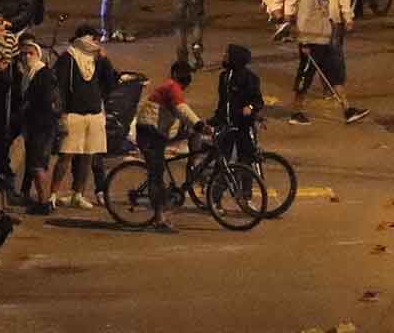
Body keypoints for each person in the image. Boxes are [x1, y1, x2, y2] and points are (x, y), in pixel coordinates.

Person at [290, 0, 369, 125]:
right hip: (311, 44)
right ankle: (295, 112)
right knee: (304, 79)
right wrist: (303, 43)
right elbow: (302, 21)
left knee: (334, 76)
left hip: (323, 43)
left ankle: (347, 109)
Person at [134, 60, 205, 232]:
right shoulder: (171, 86)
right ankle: (159, 220)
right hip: (149, 132)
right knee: (157, 176)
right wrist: (199, 124)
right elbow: (182, 109)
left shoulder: (173, 87)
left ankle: (192, 164)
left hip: (158, 130)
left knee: (194, 135)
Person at [51, 26, 117, 209]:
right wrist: (62, 112)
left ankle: (77, 194)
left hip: (94, 114)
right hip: (73, 113)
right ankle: (53, 194)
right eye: (94, 39)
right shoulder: (68, 58)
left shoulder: (97, 59)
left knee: (88, 156)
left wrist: (106, 60)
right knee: (66, 156)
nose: (97, 43)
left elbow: (110, 83)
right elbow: (59, 87)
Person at [17, 36, 60, 214]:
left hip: (42, 127)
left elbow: (46, 100)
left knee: (38, 165)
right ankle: (41, 200)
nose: (27, 56)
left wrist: (29, 105)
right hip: (35, 126)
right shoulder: (28, 74)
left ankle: (43, 202)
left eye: (30, 53)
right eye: (24, 53)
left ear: (38, 54)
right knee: (35, 164)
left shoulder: (43, 74)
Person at [213, 44, 264, 162]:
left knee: (245, 158)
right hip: (226, 124)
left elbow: (258, 100)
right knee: (222, 159)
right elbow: (223, 101)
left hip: (243, 125)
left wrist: (250, 107)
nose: (224, 56)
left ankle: (245, 178)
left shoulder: (250, 78)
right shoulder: (224, 77)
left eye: (227, 54)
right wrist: (217, 118)